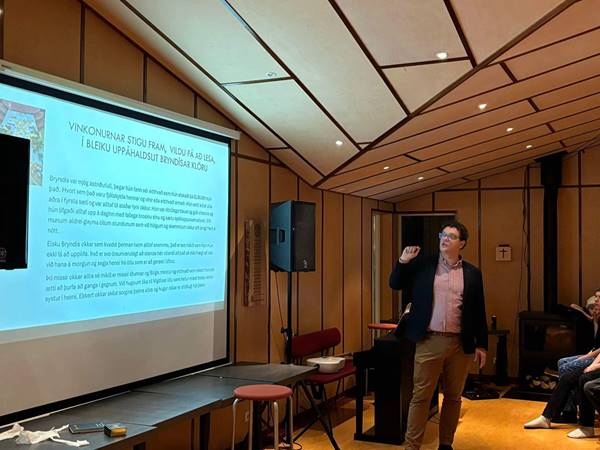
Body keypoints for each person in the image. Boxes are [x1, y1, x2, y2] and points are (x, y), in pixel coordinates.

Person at [389, 221, 487, 450]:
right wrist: (403, 261)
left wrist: (481, 344)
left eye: (451, 236)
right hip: (429, 340)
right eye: (443, 234)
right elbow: (395, 283)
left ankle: (445, 444)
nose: (445, 239)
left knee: (453, 397)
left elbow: (478, 309)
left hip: (460, 344)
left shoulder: (472, 273)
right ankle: (412, 446)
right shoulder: (423, 265)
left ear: (462, 243)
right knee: (420, 397)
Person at [524, 292, 600, 429]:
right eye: (596, 297)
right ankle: (565, 410)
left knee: (567, 369)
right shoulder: (597, 317)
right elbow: (597, 346)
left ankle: (567, 412)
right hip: (594, 357)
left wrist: (590, 362)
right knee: (562, 362)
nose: (596, 300)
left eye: (599, 298)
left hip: (596, 360)